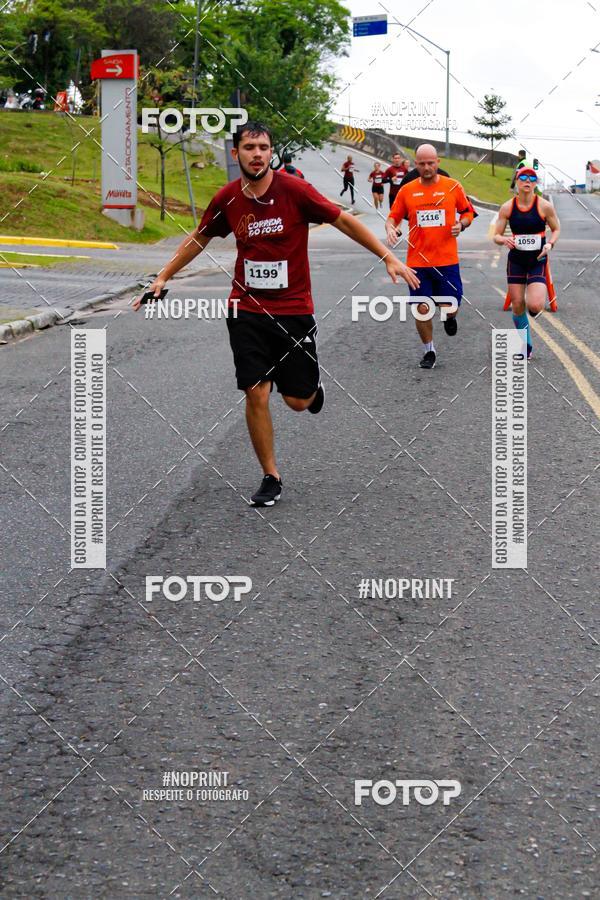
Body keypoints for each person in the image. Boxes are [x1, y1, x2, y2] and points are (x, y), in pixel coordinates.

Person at [134, 121, 419, 506]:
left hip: (293, 310)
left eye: (263, 147)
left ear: (271, 153)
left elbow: (344, 220)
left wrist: (387, 257)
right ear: (235, 154)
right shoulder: (228, 199)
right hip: (246, 309)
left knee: (297, 401)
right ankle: (271, 475)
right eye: (249, 147)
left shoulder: (295, 190)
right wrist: (164, 275)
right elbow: (200, 237)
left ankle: (312, 391)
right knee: (256, 392)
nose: (257, 154)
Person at [385, 143, 474, 370]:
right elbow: (392, 218)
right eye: (422, 163)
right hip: (417, 263)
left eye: (430, 163)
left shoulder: (452, 187)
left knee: (450, 306)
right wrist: (390, 229)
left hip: (446, 261)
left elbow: (467, 211)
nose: (427, 167)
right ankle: (429, 351)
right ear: (416, 164)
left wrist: (461, 225)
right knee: (422, 308)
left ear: (438, 163)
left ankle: (450, 317)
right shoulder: (407, 191)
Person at [493, 167, 560, 358]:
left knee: (536, 306)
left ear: (535, 183)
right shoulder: (507, 207)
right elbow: (496, 235)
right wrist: (504, 240)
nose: (527, 181)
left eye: (532, 178)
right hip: (516, 259)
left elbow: (556, 229)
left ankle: (532, 311)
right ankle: (526, 346)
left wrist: (550, 244)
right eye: (523, 177)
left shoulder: (544, 206)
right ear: (517, 181)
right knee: (517, 304)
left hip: (538, 259)